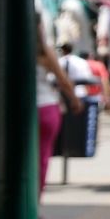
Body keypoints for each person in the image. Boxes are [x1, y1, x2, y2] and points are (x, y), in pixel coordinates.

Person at [36, 26, 80, 199]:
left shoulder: (4, 46)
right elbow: (63, 80)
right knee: (42, 157)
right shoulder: (43, 51)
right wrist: (75, 100)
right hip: (45, 106)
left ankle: (17, 201)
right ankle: (34, 201)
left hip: (14, 110)